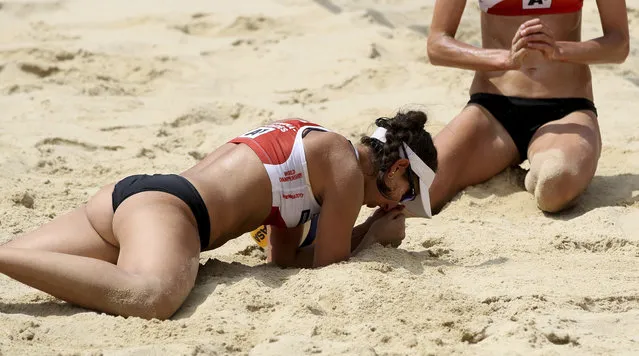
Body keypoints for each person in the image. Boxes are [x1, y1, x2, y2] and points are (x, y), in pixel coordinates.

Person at [0, 111, 438, 320]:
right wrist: (373, 234)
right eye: (405, 194)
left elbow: (283, 261)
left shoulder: (318, 156)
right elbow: (331, 265)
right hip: (176, 214)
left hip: (134, 200)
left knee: (16, 256)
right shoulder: (344, 164)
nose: (394, 203)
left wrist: (364, 229)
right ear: (397, 169)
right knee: (153, 298)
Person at [426, 0, 629, 213]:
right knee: (419, 188)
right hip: (492, 111)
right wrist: (505, 58)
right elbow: (437, 45)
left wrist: (560, 50)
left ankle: (530, 166)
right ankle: (501, 161)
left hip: (567, 113)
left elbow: (619, 44)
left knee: (554, 186)